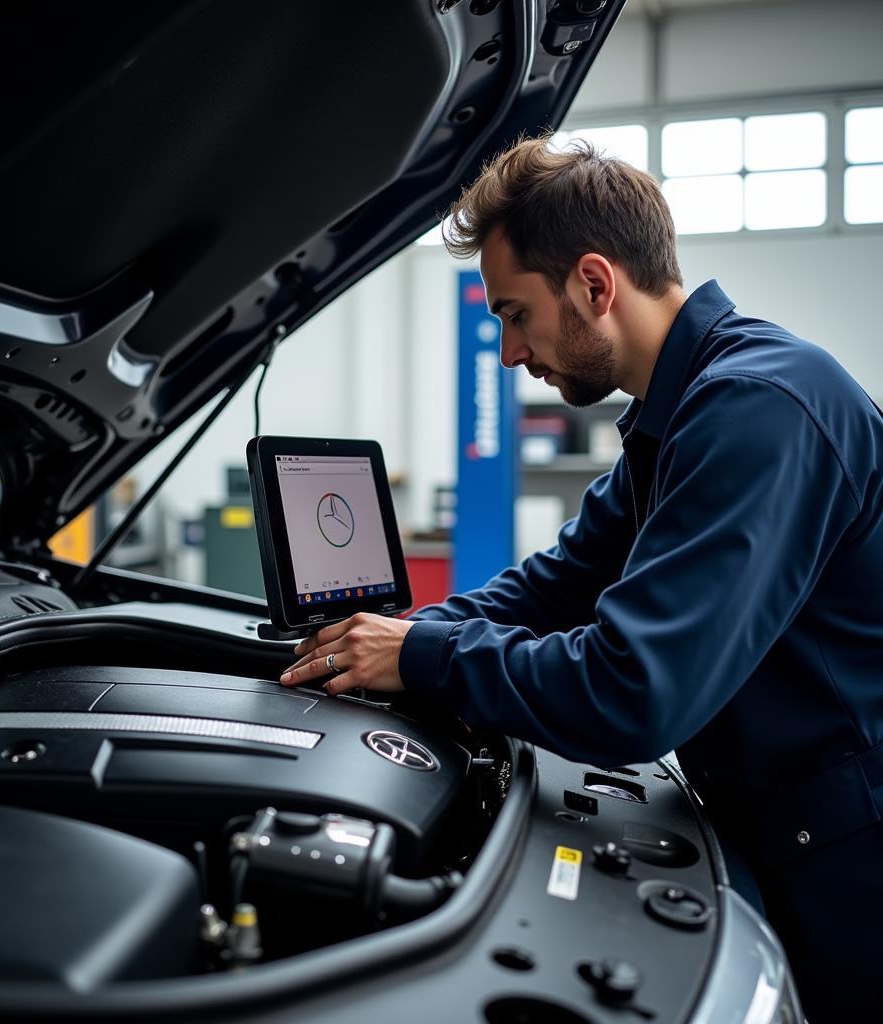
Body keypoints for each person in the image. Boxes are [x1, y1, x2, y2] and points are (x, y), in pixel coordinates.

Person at [278, 136, 883, 1021]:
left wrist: (424, 661)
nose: (511, 354)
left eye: (516, 315)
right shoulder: (673, 421)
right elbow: (548, 588)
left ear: (596, 285)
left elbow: (633, 692)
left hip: (853, 868)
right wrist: (385, 646)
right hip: (790, 834)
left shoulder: (761, 409)